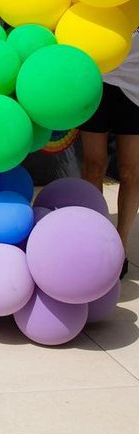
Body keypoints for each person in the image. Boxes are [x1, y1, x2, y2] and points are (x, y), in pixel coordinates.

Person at [79, 29, 139, 279]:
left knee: (131, 171)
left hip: (136, 88)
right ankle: (97, 241)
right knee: (94, 166)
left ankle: (121, 245)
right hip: (97, 80)